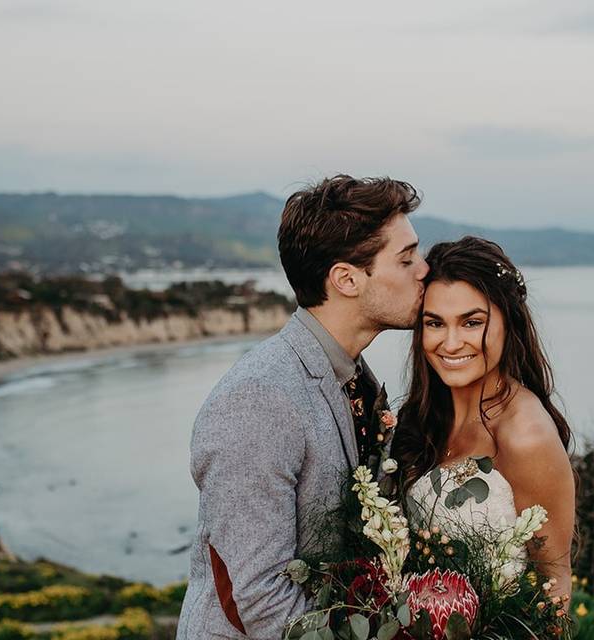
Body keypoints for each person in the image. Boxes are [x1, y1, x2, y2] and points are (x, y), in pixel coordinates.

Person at [176, 175, 429, 640]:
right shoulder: (258, 399)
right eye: (407, 258)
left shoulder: (352, 377)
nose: (424, 270)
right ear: (347, 279)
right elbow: (262, 598)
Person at [391, 236, 576, 600]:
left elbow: (555, 586)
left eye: (472, 322)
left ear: (509, 323)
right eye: (435, 324)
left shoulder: (526, 435)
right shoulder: (424, 417)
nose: (451, 343)